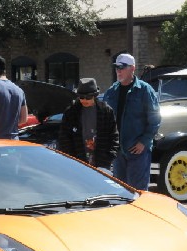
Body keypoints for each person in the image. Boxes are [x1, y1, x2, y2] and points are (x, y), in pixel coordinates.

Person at [104, 53, 161, 190]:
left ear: (132, 68)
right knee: (121, 192)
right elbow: (105, 118)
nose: (118, 70)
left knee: (138, 192)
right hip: (118, 152)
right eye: (117, 67)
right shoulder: (112, 91)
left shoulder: (145, 90)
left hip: (138, 151)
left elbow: (155, 118)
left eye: (122, 67)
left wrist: (144, 142)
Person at [58, 78, 118, 172]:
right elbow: (64, 138)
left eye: (88, 97)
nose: (84, 100)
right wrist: (71, 159)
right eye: (81, 97)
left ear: (94, 96)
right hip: (77, 164)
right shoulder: (71, 112)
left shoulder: (106, 111)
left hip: (102, 164)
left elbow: (114, 137)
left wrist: (107, 159)